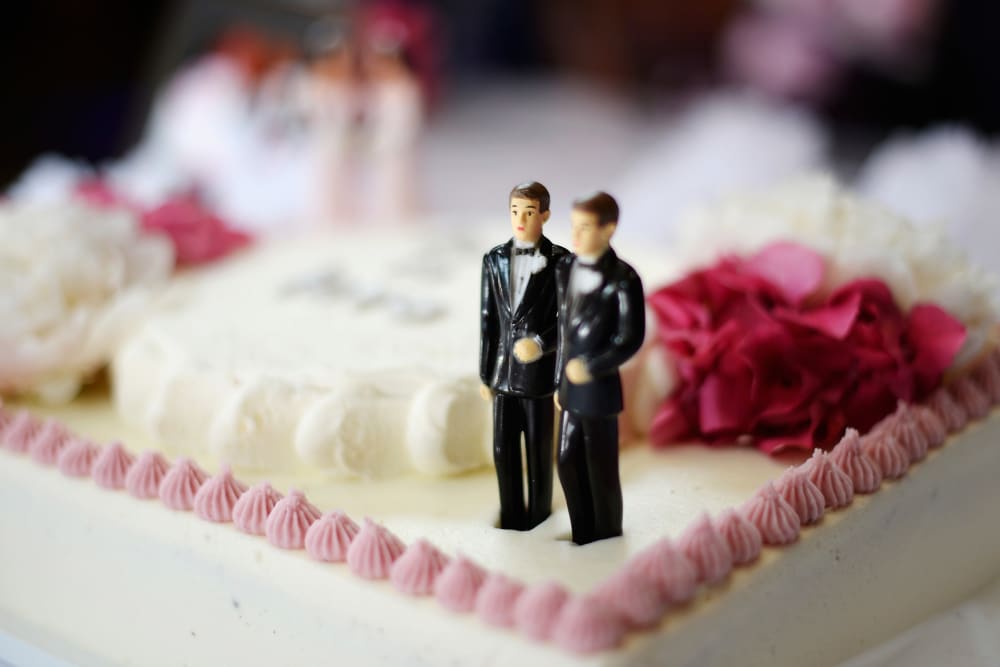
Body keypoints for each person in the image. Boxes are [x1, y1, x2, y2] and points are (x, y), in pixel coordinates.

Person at [554, 191, 645, 545]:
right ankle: (582, 532)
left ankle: (605, 536)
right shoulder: (566, 268)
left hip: (599, 392)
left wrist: (592, 367)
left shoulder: (624, 279)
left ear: (609, 229)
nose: (576, 236)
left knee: (601, 468)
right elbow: (564, 333)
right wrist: (560, 383)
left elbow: (630, 338)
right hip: (569, 391)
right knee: (566, 460)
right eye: (574, 226)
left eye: (586, 227)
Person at [480, 181, 569, 530]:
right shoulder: (494, 259)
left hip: (539, 379)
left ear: (544, 215)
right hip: (502, 376)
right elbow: (488, 322)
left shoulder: (561, 262)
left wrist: (542, 344)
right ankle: (512, 516)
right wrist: (486, 373)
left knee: (537, 451)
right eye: (515, 211)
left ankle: (539, 517)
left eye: (529, 212)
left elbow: (568, 321)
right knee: (503, 450)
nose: (520, 219)